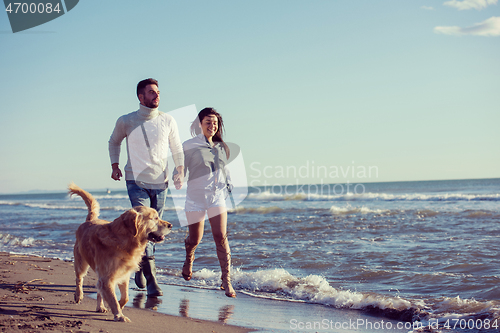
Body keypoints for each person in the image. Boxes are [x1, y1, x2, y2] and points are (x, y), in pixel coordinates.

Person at [108, 78, 184, 297]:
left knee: (155, 232)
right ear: (141, 97)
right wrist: (114, 165)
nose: (157, 95)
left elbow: (176, 147)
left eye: (158, 92)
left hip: (161, 183)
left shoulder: (168, 120)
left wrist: (180, 169)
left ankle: (139, 265)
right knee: (146, 228)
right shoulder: (127, 121)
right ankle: (152, 280)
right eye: (152, 92)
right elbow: (114, 141)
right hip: (135, 181)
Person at [177, 107, 236, 298]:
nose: (212, 126)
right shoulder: (188, 145)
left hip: (216, 197)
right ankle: (189, 258)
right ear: (200, 124)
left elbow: (222, 169)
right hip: (195, 197)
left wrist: (228, 182)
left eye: (215, 123)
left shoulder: (220, 146)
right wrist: (177, 177)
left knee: (221, 235)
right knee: (195, 239)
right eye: (208, 122)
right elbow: (180, 168)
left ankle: (226, 280)